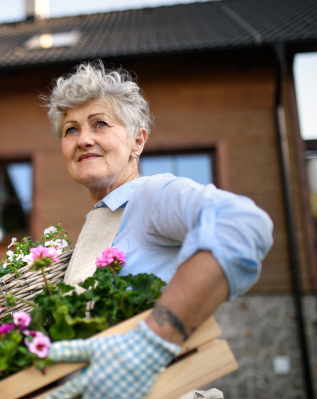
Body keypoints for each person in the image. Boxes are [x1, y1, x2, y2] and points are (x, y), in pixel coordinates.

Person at [41, 61, 274, 399]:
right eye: (71, 130)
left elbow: (244, 224)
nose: (83, 139)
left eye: (100, 123)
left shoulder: (151, 196)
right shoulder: (100, 220)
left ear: (138, 141)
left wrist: (154, 340)